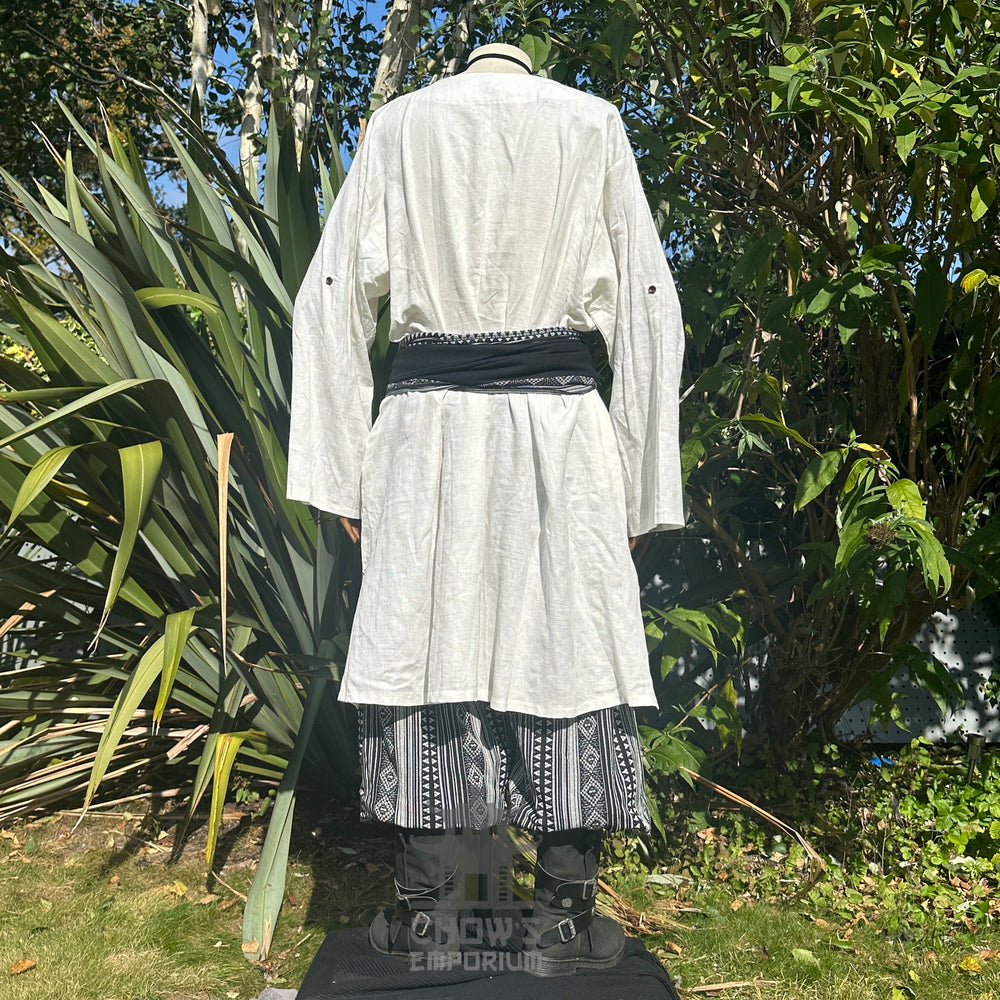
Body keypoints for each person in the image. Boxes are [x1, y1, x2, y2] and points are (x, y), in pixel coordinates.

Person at [287, 41, 685, 977]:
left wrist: (343, 472)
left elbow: (329, 297)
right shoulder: (591, 123)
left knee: (430, 644)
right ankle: (563, 915)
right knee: (567, 648)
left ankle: (435, 913)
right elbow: (648, 305)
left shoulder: (401, 126)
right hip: (562, 432)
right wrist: (639, 482)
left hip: (426, 433)